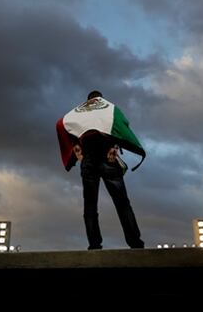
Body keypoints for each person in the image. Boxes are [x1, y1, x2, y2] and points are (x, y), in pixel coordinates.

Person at [59, 90, 145, 250]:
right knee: (122, 203)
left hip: (88, 160)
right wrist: (115, 146)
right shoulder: (108, 108)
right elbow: (121, 125)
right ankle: (135, 242)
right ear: (101, 100)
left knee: (90, 204)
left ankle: (94, 244)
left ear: (87, 101)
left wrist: (76, 147)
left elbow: (62, 124)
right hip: (108, 157)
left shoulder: (78, 113)